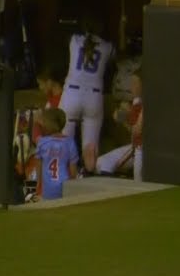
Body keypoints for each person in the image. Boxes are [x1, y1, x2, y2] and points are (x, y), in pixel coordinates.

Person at [61, 24, 115, 174]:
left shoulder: (74, 40)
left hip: (71, 94)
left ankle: (64, 175)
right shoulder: (107, 47)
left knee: (64, 141)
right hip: (94, 96)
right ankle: (87, 175)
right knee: (90, 148)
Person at [97, 68, 144, 180]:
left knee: (139, 180)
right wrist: (124, 117)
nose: (131, 87)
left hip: (145, 147)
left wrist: (124, 117)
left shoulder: (150, 101)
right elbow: (133, 131)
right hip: (136, 145)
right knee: (102, 163)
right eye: (131, 83)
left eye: (135, 83)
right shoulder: (136, 101)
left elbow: (138, 131)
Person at [35, 107, 80, 201]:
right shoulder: (70, 142)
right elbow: (73, 169)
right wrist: (73, 187)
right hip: (64, 187)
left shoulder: (42, 142)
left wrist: (38, 182)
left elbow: (38, 166)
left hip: (47, 188)